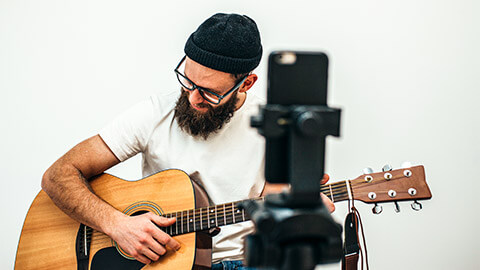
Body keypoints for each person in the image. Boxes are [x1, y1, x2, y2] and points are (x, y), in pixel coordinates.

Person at [41, 13, 335, 269]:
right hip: (165, 264)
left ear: (246, 83)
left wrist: (295, 213)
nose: (193, 98)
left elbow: (270, 216)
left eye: (209, 92)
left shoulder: (275, 126)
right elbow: (58, 175)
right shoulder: (153, 113)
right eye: (187, 81)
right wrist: (116, 225)